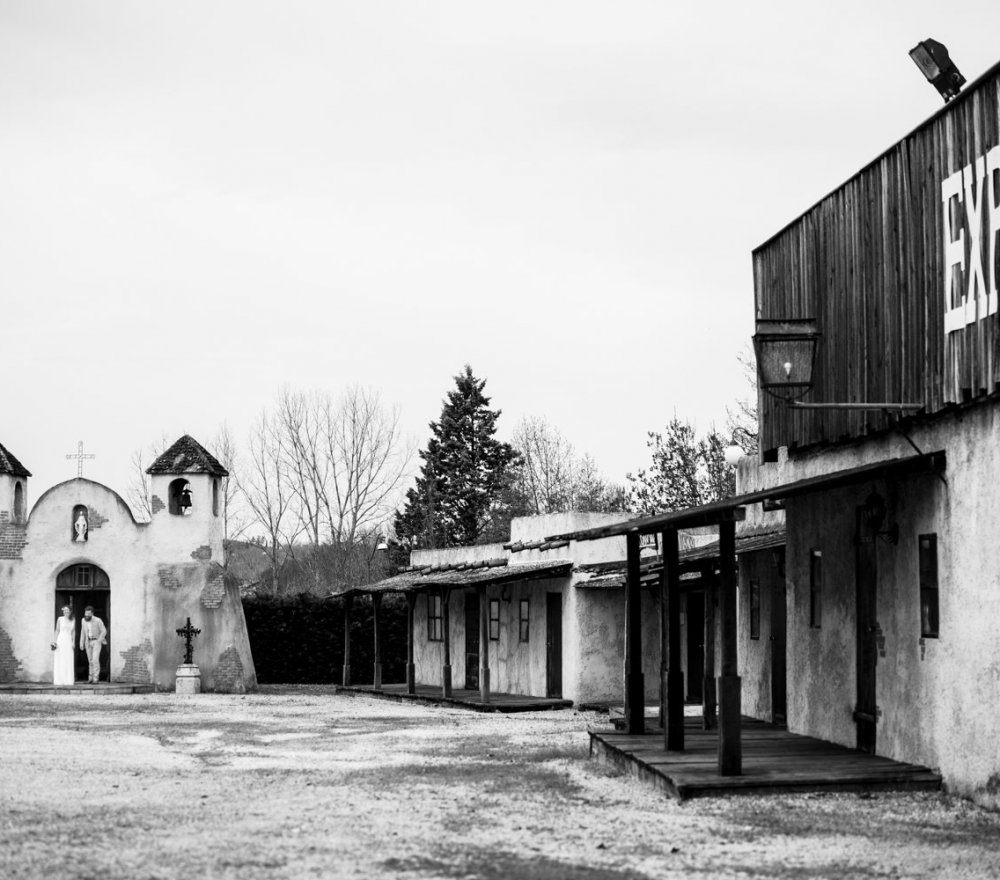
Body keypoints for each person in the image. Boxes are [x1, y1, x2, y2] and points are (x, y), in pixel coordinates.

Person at [78, 606, 107, 684]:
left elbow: (104, 631)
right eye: (85, 613)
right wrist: (81, 642)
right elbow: (82, 632)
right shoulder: (83, 620)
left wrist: (99, 640)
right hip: (88, 642)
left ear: (92, 613)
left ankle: (96, 679)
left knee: (95, 660)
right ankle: (90, 679)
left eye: (88, 614)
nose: (86, 615)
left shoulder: (98, 620)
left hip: (96, 641)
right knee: (90, 661)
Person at [51, 605, 76, 686]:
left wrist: (73, 642)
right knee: (60, 659)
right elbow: (57, 630)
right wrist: (54, 642)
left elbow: (73, 631)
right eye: (64, 610)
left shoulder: (73, 619)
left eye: (67, 610)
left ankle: (68, 680)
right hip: (61, 640)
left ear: (70, 611)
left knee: (68, 659)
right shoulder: (60, 619)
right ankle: (59, 680)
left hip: (68, 640)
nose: (65, 612)